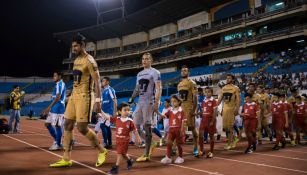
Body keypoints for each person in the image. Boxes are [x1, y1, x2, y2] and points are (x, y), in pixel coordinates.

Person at [50, 35, 108, 167]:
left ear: (82, 45)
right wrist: (71, 93)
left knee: (82, 128)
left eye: (76, 46)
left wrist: (98, 100)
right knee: (68, 125)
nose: (74, 48)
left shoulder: (90, 61)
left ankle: (102, 151)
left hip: (85, 97)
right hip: (75, 96)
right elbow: (77, 79)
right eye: (72, 46)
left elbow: (98, 81)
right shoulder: (76, 60)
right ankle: (66, 158)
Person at [128, 52, 162, 162]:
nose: (144, 60)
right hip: (140, 102)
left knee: (147, 127)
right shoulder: (139, 74)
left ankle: (146, 154)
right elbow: (137, 88)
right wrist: (132, 98)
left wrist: (157, 102)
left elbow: (159, 88)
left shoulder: (155, 72)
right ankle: (151, 143)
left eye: (147, 59)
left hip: (149, 102)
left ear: (151, 60)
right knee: (135, 126)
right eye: (143, 59)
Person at [99, 103, 141, 174]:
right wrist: (100, 110)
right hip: (118, 140)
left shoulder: (130, 121)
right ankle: (130, 161)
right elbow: (107, 117)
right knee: (123, 153)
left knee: (119, 153)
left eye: (128, 110)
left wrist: (138, 138)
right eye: (125, 110)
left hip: (125, 140)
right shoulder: (117, 119)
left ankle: (116, 167)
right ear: (119, 111)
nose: (127, 111)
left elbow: (135, 130)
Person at [177, 65, 199, 156]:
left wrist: (194, 110)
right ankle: (175, 147)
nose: (183, 72)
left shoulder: (192, 83)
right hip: (181, 109)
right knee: (178, 129)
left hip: (189, 108)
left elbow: (195, 97)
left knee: (192, 128)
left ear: (188, 72)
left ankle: (196, 147)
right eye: (182, 71)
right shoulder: (179, 84)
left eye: (185, 70)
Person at [42, 71, 66, 151]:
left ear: (59, 76)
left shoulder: (60, 84)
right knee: (47, 124)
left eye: (55, 76)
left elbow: (58, 97)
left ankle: (58, 144)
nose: (53, 77)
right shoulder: (57, 84)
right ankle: (58, 141)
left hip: (58, 108)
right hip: (54, 108)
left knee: (57, 126)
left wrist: (49, 107)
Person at [217, 74, 241, 150]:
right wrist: (215, 107)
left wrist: (237, 108)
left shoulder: (235, 88)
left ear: (233, 80)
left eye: (229, 78)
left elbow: (238, 99)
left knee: (230, 127)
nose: (228, 79)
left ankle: (229, 143)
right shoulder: (223, 88)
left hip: (231, 109)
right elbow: (220, 99)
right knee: (225, 128)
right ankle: (234, 139)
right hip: (225, 109)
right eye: (227, 78)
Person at [160, 95, 186, 164]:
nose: (173, 103)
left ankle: (180, 157)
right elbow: (163, 116)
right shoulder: (170, 111)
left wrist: (182, 130)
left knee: (179, 144)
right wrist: (157, 111)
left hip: (178, 129)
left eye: (174, 101)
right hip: (171, 129)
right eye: (172, 102)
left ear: (178, 102)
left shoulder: (181, 111)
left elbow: (183, 121)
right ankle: (168, 157)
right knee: (169, 143)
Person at [199, 87, 217, 158]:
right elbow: (203, 111)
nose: (207, 93)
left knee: (211, 136)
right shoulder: (204, 101)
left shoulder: (213, 101)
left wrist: (212, 121)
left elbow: (215, 112)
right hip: (203, 120)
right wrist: (196, 114)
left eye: (209, 92)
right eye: (206, 92)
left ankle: (211, 152)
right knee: (200, 134)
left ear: (211, 93)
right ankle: (201, 150)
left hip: (210, 120)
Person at [100, 76, 117, 149]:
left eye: (103, 81)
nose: (102, 82)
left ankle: (105, 142)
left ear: (107, 82)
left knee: (102, 126)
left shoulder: (110, 90)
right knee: (107, 126)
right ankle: (109, 142)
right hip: (104, 111)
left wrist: (115, 111)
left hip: (109, 111)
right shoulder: (103, 91)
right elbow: (102, 102)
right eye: (102, 81)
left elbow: (115, 100)